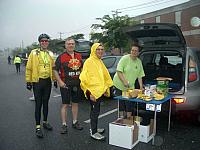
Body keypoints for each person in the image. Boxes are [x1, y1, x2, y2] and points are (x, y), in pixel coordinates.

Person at [79, 43, 113, 141]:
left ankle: (95, 128)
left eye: (102, 49)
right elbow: (83, 79)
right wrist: (89, 93)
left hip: (99, 92)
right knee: (94, 112)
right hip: (93, 93)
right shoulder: (89, 62)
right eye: (98, 49)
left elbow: (104, 76)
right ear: (94, 50)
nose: (100, 51)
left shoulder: (99, 61)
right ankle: (94, 132)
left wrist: (106, 89)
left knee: (96, 111)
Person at [25, 33, 57, 138]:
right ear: (40, 42)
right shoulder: (34, 53)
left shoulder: (50, 54)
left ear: (48, 42)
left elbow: (53, 68)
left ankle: (45, 122)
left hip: (47, 81)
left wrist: (55, 79)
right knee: (38, 104)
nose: (44, 42)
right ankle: (38, 127)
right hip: (37, 82)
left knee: (46, 103)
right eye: (42, 41)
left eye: (46, 41)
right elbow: (29, 67)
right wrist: (28, 81)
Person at [53, 38, 83, 134]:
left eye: (72, 44)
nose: (71, 45)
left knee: (75, 103)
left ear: (74, 45)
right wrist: (60, 81)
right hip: (65, 84)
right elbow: (54, 70)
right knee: (65, 105)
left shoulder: (78, 56)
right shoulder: (61, 57)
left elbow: (82, 69)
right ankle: (64, 124)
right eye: (68, 44)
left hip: (77, 84)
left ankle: (75, 122)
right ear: (65, 45)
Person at [113, 43, 145, 119]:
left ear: (138, 53)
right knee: (121, 101)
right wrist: (124, 81)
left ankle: (128, 119)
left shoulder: (139, 62)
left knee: (129, 102)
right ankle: (120, 118)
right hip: (119, 84)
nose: (133, 52)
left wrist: (141, 87)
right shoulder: (125, 58)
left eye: (135, 51)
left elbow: (140, 76)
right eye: (132, 50)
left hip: (130, 86)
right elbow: (119, 71)